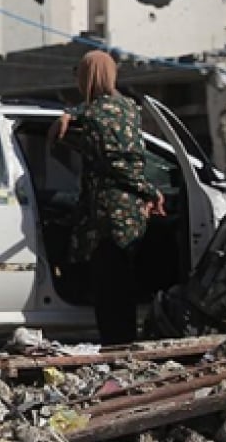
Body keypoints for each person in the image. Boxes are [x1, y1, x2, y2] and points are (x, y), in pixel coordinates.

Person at [50, 50, 166, 345]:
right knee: (120, 286)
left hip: (107, 219)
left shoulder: (92, 114)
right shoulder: (129, 108)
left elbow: (118, 162)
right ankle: (121, 344)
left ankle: (118, 347)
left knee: (110, 290)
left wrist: (67, 116)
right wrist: (148, 191)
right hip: (129, 215)